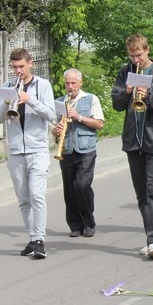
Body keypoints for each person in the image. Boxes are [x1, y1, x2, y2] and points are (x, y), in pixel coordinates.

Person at [111, 34, 153, 259]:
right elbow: (116, 104)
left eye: (139, 54)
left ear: (147, 50)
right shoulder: (125, 72)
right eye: (132, 55)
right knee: (141, 192)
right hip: (133, 139)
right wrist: (127, 91)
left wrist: (147, 97)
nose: (136, 59)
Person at [0, 48, 56, 259]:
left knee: (37, 195)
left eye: (21, 66)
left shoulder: (43, 85)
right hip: (15, 151)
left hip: (37, 149)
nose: (18, 71)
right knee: (23, 199)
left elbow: (50, 114)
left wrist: (29, 99)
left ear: (31, 64)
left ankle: (39, 240)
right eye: (14, 67)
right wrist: (5, 103)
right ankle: (32, 238)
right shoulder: (7, 86)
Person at [51, 68, 105, 238]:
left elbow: (99, 124)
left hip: (86, 149)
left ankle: (89, 222)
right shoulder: (59, 102)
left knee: (81, 185)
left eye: (73, 83)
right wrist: (55, 130)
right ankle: (75, 226)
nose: (70, 86)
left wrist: (78, 117)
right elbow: (52, 128)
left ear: (80, 83)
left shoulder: (91, 99)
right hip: (66, 150)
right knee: (69, 189)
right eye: (67, 83)